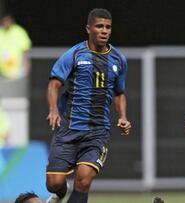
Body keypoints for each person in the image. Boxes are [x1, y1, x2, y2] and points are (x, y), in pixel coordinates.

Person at [45, 8, 132, 203]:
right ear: (88, 28)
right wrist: (53, 109)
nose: (104, 31)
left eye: (108, 27)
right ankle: (59, 193)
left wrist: (123, 116)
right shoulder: (74, 55)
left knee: (83, 181)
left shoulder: (119, 59)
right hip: (68, 129)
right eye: (99, 26)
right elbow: (54, 84)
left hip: (97, 132)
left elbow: (119, 93)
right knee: (54, 182)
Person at [0, 13, 32, 97]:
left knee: (16, 100)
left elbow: (26, 52)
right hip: (2, 75)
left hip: (17, 74)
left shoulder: (19, 32)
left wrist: (26, 69)